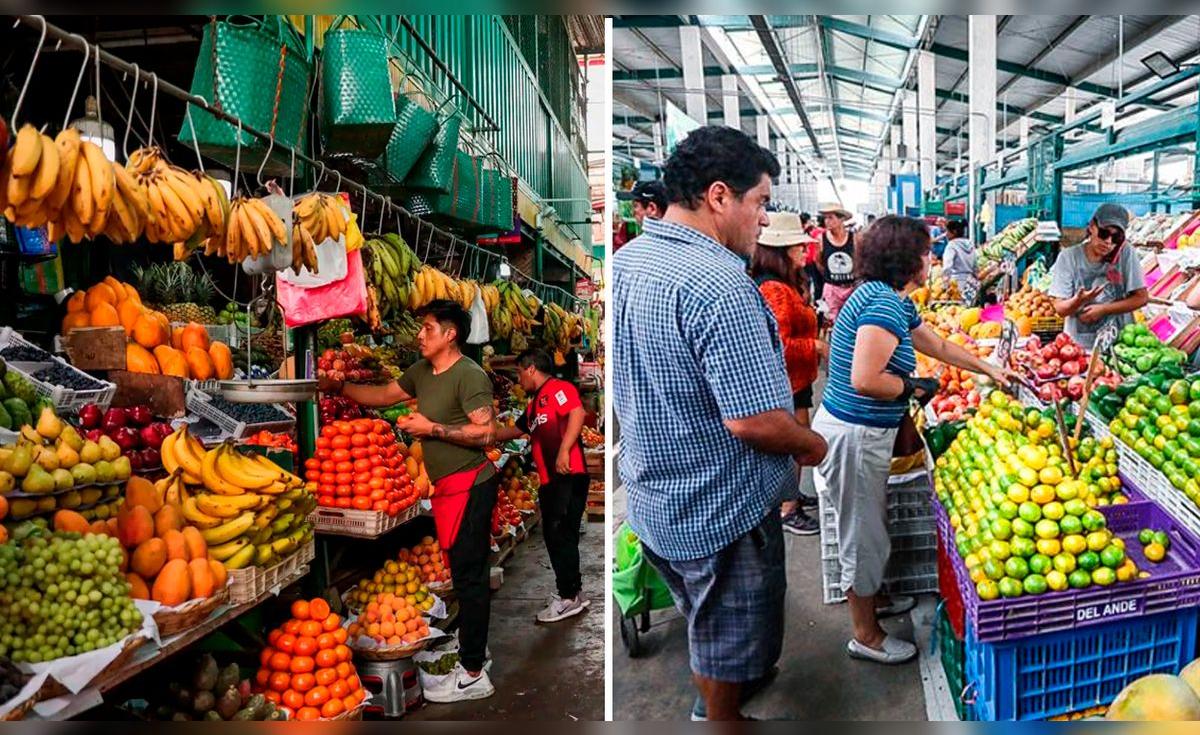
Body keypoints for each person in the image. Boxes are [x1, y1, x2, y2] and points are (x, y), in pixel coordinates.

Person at [612, 125, 828, 721]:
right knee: (723, 640)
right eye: (760, 201)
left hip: (656, 499)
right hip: (719, 511)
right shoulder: (720, 283)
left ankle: (725, 694)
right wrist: (811, 443)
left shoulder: (629, 261)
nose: (764, 218)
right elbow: (754, 421)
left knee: (704, 619)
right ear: (718, 196)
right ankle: (720, 715)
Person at [812, 216, 1011, 665]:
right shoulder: (882, 304)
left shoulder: (890, 299)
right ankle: (866, 634)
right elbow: (865, 379)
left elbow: (935, 345)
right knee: (862, 535)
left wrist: (989, 369)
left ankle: (875, 600)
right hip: (855, 434)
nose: (931, 259)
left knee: (868, 525)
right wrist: (911, 387)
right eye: (925, 252)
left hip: (863, 432)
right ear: (906, 258)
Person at [320, 299, 500, 702]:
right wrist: (339, 388)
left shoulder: (469, 375)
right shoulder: (422, 371)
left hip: (471, 486)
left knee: (470, 577)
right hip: (448, 490)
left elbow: (486, 433)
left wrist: (431, 428)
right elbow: (385, 394)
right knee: (463, 573)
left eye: (429, 328)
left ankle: (473, 674)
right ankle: (474, 651)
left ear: (450, 335)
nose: (420, 335)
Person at [496, 348, 591, 623]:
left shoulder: (559, 389)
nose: (518, 379)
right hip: (552, 480)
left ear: (531, 369)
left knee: (558, 535)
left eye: (519, 373)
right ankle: (574, 592)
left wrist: (564, 450)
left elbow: (577, 413)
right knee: (561, 536)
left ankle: (568, 598)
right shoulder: (534, 404)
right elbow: (515, 430)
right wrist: (484, 435)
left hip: (567, 475)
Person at [752, 212, 826, 536]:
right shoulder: (775, 289)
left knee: (797, 437)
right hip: (787, 381)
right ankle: (788, 509)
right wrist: (816, 346)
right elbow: (779, 344)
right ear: (782, 250)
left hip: (795, 379)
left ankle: (791, 495)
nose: (805, 251)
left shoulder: (786, 282)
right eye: (799, 247)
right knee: (794, 441)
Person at [1049, 203, 1147, 349]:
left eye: (1116, 237)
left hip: (1120, 347)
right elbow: (1060, 308)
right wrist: (1077, 301)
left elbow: (1141, 297)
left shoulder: (1126, 253)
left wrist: (1104, 309)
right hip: (1079, 350)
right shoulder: (1069, 257)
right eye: (1104, 233)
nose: (1108, 242)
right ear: (1091, 226)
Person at [816, 202, 856, 323]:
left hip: (851, 287)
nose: (827, 221)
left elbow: (860, 260)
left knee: (851, 320)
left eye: (831, 217)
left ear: (841, 219)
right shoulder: (821, 239)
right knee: (831, 321)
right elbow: (819, 262)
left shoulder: (854, 238)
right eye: (825, 218)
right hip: (832, 288)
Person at [940, 219, 977, 297]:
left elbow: (947, 266)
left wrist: (944, 284)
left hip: (956, 283)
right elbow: (975, 265)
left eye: (947, 231)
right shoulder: (971, 244)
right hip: (971, 283)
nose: (946, 234)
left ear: (954, 232)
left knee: (958, 304)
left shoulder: (951, 245)